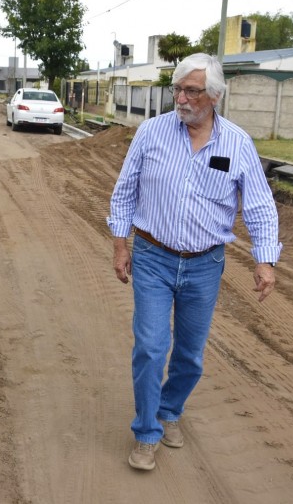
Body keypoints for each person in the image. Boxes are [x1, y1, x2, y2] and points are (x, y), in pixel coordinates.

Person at [107, 53, 281, 471]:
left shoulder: (237, 143)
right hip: (152, 256)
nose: (181, 99)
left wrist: (265, 260)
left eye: (192, 91)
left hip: (205, 264)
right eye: (178, 89)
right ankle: (147, 432)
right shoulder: (151, 132)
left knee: (190, 356)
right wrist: (120, 244)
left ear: (214, 96)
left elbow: (259, 206)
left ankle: (169, 410)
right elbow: (125, 190)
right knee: (150, 347)